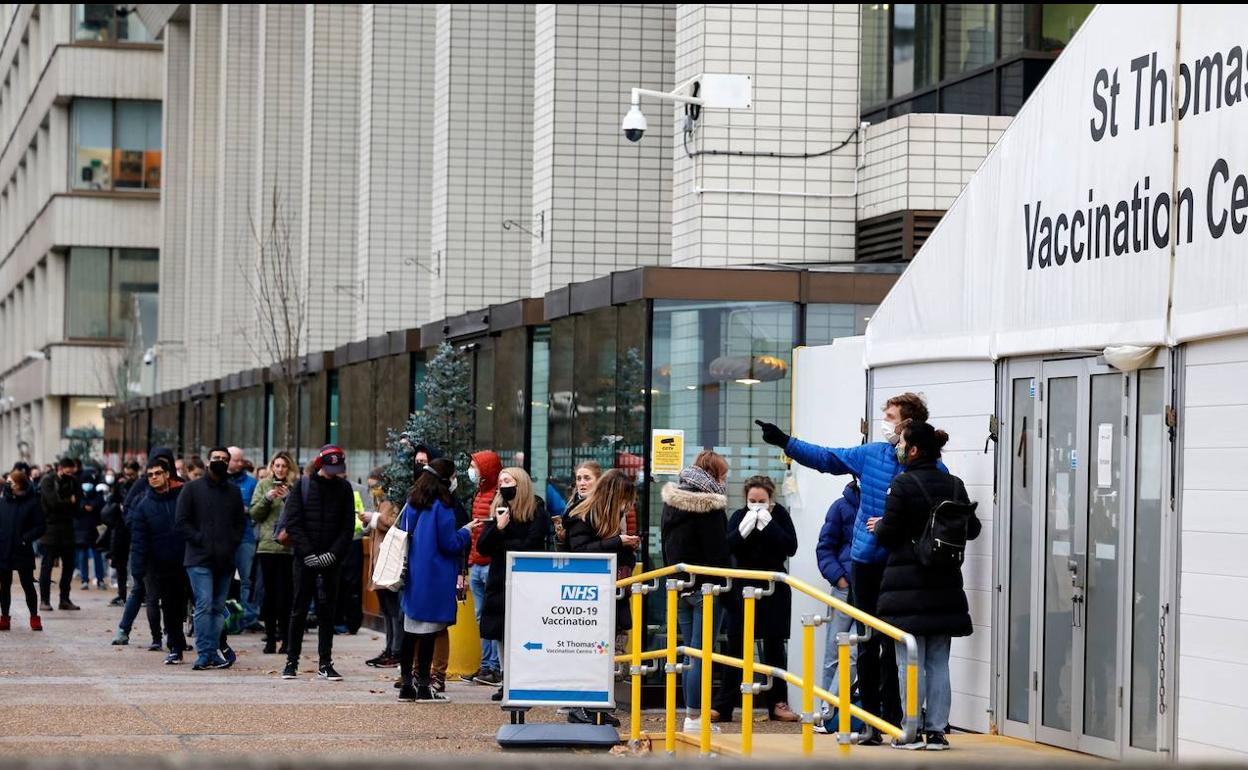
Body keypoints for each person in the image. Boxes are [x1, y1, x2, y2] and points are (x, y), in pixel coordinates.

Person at [756, 392, 937, 741]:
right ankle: (869, 723)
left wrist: (894, 524)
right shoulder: (872, 454)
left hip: (903, 565)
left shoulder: (927, 465)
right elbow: (828, 458)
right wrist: (786, 442)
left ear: (907, 424)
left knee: (897, 645)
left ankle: (896, 719)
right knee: (866, 642)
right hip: (866, 563)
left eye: (890, 416)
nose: (884, 422)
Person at [873, 421, 981, 751]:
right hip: (945, 585)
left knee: (909, 662)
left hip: (907, 586)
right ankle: (936, 731)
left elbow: (889, 533)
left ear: (915, 449)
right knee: (938, 662)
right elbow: (972, 529)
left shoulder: (902, 484)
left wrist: (879, 526)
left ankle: (910, 730)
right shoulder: (954, 484)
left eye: (902, 443)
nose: (898, 448)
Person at [714, 475, 800, 724]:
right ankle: (724, 706)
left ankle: (777, 704)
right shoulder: (739, 516)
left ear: (771, 498)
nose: (757, 505)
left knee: (774, 649)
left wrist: (769, 525)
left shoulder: (780, 515)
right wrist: (745, 529)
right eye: (752, 500)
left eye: (762, 501)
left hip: (773, 588)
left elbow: (790, 547)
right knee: (736, 647)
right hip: (742, 588)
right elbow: (726, 547)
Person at [660, 450, 731, 733]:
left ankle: (691, 716)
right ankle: (695, 719)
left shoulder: (671, 501)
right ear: (714, 475)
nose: (724, 481)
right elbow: (718, 552)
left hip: (680, 587)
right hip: (707, 588)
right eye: (723, 476)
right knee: (701, 654)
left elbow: (666, 545)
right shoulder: (710, 506)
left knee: (690, 654)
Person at [398, 458, 480, 702]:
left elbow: (405, 532)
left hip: (414, 575)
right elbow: (449, 544)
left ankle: (406, 686)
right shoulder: (443, 506)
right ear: (445, 479)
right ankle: (424, 687)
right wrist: (466, 531)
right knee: (429, 634)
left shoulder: (413, 501)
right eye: (453, 476)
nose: (455, 480)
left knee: (410, 632)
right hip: (436, 577)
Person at [564, 469, 640, 726]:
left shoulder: (609, 516)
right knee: (588, 653)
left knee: (601, 654)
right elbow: (581, 552)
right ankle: (581, 707)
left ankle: (596, 706)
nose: (626, 506)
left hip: (608, 595)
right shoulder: (581, 515)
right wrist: (618, 542)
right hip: (589, 596)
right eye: (624, 499)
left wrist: (627, 549)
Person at [474, 466, 550, 699]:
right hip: (500, 579)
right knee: (501, 631)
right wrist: (499, 528)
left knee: (524, 631)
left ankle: (525, 679)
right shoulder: (499, 509)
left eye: (508, 481)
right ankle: (507, 680)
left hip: (526, 581)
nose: (503, 486)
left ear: (520, 483)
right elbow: (483, 547)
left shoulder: (536, 509)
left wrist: (503, 545)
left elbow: (532, 544)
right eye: (501, 482)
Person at [281, 445, 355, 682]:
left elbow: (347, 526)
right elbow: (293, 522)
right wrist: (308, 553)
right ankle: (291, 661)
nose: (334, 473)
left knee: (327, 612)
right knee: (299, 610)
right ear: (320, 464)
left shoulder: (344, 488)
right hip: (305, 560)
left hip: (331, 560)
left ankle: (325, 662)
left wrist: (332, 554)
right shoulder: (302, 486)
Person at [176, 446, 247, 671]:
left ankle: (213, 652)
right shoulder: (192, 489)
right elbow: (181, 521)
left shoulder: (233, 491)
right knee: (204, 604)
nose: (220, 461)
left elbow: (240, 522)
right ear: (208, 461)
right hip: (199, 557)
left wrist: (231, 542)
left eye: (224, 459)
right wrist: (200, 538)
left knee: (217, 607)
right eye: (216, 458)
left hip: (224, 559)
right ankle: (205, 653)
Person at [128, 461, 189, 664]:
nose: (153, 477)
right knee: (170, 607)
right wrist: (137, 569)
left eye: (158, 473)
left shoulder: (183, 496)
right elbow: (139, 540)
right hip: (162, 563)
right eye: (150, 475)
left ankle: (216, 645)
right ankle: (175, 646)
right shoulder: (144, 505)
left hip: (190, 558)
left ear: (167, 474)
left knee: (202, 603)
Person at [115, 449, 175, 648]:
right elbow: (129, 513)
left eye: (162, 467)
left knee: (170, 597)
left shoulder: (179, 488)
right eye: (152, 471)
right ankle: (128, 630)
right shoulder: (142, 489)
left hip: (171, 552)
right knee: (144, 593)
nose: (155, 476)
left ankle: (173, 636)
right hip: (147, 551)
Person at [814, 478, 860, 732]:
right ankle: (826, 714)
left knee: (851, 652)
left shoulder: (883, 504)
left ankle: (828, 711)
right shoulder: (840, 507)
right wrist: (839, 578)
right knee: (833, 653)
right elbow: (825, 548)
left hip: (868, 589)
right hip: (845, 588)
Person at [461, 450, 503, 686]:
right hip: (477, 563)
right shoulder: (479, 493)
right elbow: (475, 534)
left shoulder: (497, 495)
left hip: (489, 565)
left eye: (474, 466)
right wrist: (470, 562)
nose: (471, 470)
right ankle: (486, 665)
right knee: (481, 618)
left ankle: (494, 667)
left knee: (491, 617)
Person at [249, 451, 296, 655]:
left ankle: (285, 639)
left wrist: (288, 499)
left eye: (284, 466)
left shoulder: (295, 487)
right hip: (267, 546)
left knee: (285, 596)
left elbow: (300, 514)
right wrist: (267, 499)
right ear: (271, 467)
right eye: (277, 465)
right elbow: (254, 514)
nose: (280, 469)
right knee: (268, 595)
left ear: (289, 468)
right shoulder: (263, 485)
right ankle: (270, 639)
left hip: (288, 547)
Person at [361, 467, 402, 669]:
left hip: (389, 563)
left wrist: (375, 519)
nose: (373, 491)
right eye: (370, 487)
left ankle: (395, 650)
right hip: (379, 563)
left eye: (375, 486)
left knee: (393, 609)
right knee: (386, 609)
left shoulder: (392, 503)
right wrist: (369, 521)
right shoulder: (381, 503)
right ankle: (389, 648)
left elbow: (394, 524)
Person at [0, 465, 45, 631]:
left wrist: (25, 539)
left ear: (20, 484)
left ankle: (34, 616)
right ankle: (4, 617)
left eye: (12, 482)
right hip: (4, 549)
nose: (9, 484)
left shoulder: (32, 503)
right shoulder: (2, 502)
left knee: (27, 584)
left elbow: (40, 526)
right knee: (4, 585)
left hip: (22, 550)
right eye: (8, 481)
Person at [38, 458, 81, 612]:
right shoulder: (47, 481)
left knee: (69, 566)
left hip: (68, 529)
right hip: (50, 530)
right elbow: (53, 503)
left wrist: (68, 502)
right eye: (68, 472)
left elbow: (78, 503)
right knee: (47, 566)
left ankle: (64, 599)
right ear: (60, 468)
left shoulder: (73, 481)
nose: (70, 475)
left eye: (72, 472)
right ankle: (44, 600)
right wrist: (69, 501)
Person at [226, 447, 260, 632]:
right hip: (224, 539)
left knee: (247, 580)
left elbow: (257, 509)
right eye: (236, 460)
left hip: (246, 537)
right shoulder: (221, 481)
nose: (240, 464)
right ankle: (228, 618)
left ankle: (249, 617)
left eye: (241, 460)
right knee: (225, 579)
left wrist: (247, 510)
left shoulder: (251, 483)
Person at [106, 462, 141, 607]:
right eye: (127, 474)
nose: (129, 477)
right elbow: (111, 500)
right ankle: (122, 594)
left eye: (131, 474)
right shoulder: (120, 484)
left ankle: (140, 593)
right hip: (121, 527)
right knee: (120, 562)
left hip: (136, 527)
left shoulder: (141, 485)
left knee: (137, 563)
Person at [74, 474, 107, 591]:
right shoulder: (78, 495)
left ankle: (100, 579)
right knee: (82, 556)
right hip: (81, 530)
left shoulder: (98, 496)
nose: (87, 484)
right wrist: (83, 507)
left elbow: (103, 509)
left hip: (95, 530)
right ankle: (84, 580)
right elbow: (75, 510)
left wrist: (93, 507)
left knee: (97, 555)